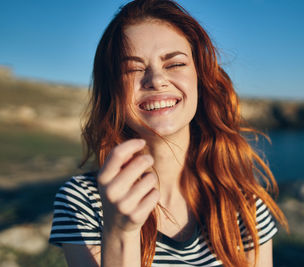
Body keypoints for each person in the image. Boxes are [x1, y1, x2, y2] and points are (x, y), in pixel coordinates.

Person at [49, 0, 288, 266]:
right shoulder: (82, 201)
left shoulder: (243, 202)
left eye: (174, 64)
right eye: (133, 69)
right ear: (113, 92)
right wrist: (120, 232)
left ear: (200, 77)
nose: (156, 79)